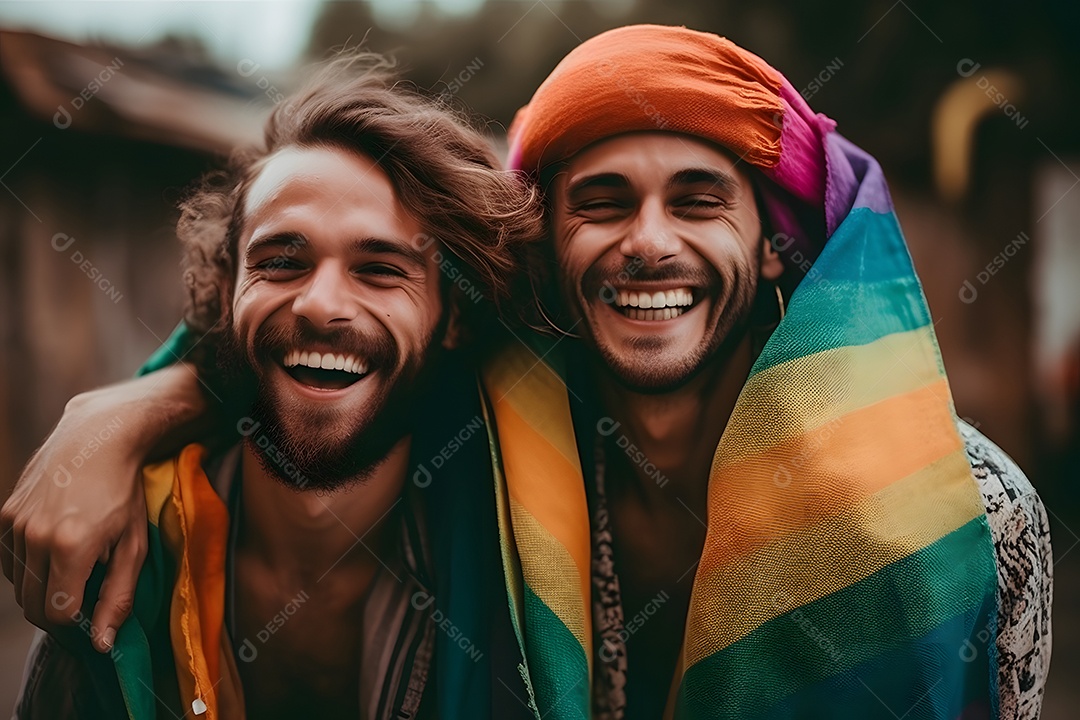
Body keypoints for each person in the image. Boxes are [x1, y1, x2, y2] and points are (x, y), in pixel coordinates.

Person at [4, 25, 1052, 720]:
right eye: (600, 202)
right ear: (547, 244)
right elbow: (314, 358)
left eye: (696, 200)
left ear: (776, 242)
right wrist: (121, 414)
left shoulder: (970, 514)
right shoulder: (497, 431)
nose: (649, 243)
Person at [7, 52, 543, 719]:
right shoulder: (124, 561)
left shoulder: (522, 591)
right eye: (281, 261)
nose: (320, 305)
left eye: (379, 270)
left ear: (453, 316)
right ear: (224, 291)